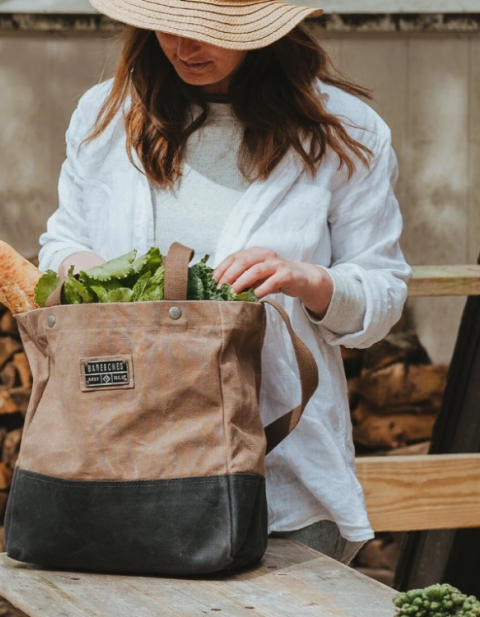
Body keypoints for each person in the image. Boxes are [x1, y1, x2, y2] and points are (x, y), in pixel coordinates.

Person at [38, 0, 411, 565]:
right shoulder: (107, 115)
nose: (184, 47)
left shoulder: (346, 130)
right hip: (121, 463)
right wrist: (100, 279)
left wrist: (308, 281)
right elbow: (61, 243)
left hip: (283, 477)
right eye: (169, 26)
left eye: (212, 30)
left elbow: (382, 295)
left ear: (267, 30)